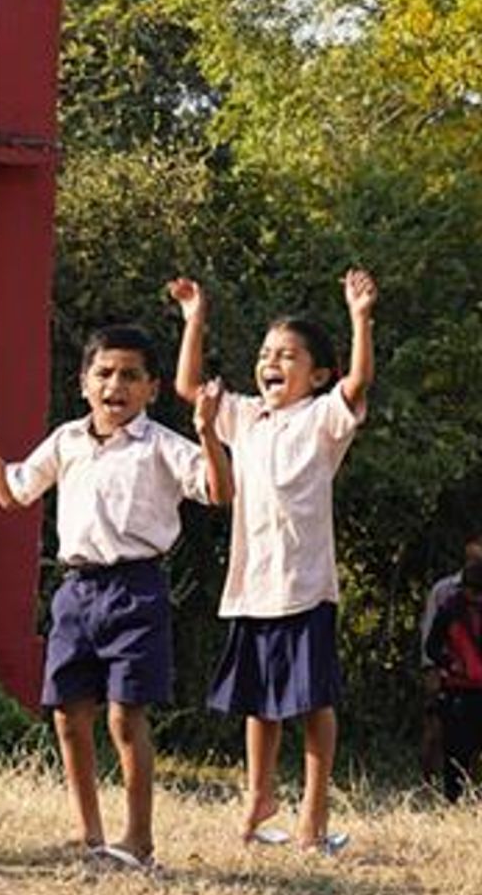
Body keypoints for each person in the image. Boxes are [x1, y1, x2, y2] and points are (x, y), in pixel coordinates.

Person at [0, 325, 230, 870]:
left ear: (152, 388)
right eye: (103, 373)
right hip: (76, 593)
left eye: (130, 376)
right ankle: (87, 833)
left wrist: (209, 433)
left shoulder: (164, 446)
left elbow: (220, 493)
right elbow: (13, 492)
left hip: (137, 591)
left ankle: (139, 840)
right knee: (68, 716)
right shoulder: (67, 440)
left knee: (125, 718)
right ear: (83, 383)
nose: (114, 385)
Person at [171, 270, 376, 854]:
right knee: (259, 704)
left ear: (317, 375)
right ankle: (259, 797)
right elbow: (190, 387)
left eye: (288, 356)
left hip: (306, 586)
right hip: (252, 586)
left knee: (313, 703)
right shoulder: (246, 417)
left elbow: (359, 380)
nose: (271, 363)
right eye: (265, 354)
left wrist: (359, 315)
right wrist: (195, 318)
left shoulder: (323, 420)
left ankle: (314, 817)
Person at [419, 534, 482, 788]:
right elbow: (431, 643)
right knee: (447, 741)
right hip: (456, 685)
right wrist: (441, 667)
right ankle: (437, 788)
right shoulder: (446, 598)